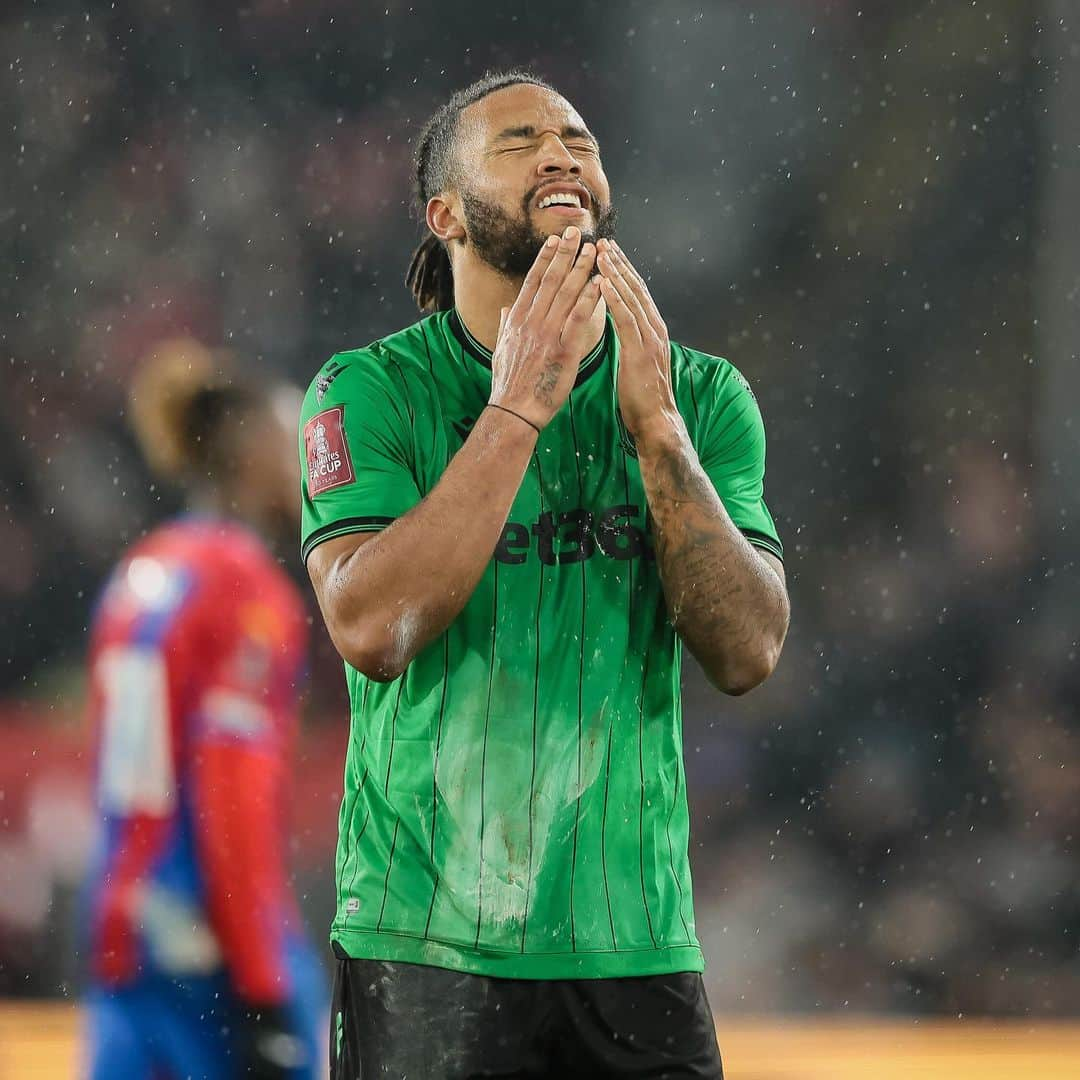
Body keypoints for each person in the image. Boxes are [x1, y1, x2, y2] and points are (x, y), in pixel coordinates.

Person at [301, 71, 790, 1078]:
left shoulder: (698, 396)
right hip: (425, 946)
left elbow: (746, 651)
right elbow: (371, 627)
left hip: (636, 942)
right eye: (519, 141)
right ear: (446, 214)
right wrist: (517, 407)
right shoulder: (369, 392)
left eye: (579, 138)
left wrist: (659, 439)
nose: (562, 153)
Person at [83, 340, 325, 1080]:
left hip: (124, 931)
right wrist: (263, 986)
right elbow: (232, 795)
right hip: (207, 944)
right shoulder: (246, 592)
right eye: (296, 441)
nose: (309, 465)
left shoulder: (141, 573)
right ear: (253, 451)